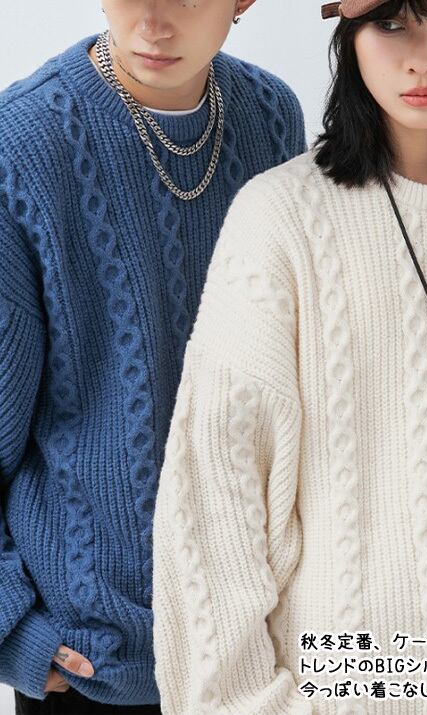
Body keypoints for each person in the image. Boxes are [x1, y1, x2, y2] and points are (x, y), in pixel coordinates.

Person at [152, 0, 427, 713]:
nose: (423, 58)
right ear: (350, 38)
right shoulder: (280, 216)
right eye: (391, 25)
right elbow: (214, 498)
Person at [0, 0, 307, 712]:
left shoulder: (271, 116)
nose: (154, 23)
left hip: (257, 642)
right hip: (98, 659)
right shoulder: (23, 144)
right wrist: (15, 632)